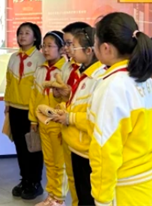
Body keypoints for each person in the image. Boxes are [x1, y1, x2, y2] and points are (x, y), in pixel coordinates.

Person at [89, 12, 152, 206]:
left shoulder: (113, 87)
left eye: (95, 42)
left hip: (130, 190)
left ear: (106, 48)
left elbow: (105, 151)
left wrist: (102, 198)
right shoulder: (147, 80)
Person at [52, 26, 105, 206]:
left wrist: (69, 118)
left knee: (87, 195)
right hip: (76, 144)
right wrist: (63, 105)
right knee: (80, 191)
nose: (68, 49)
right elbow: (78, 104)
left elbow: (96, 117)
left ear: (89, 50)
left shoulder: (99, 77)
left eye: (71, 45)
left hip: (88, 148)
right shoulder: (82, 72)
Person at [4, 22, 46, 200]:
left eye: (27, 33)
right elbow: (9, 82)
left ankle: (35, 182)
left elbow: (40, 88)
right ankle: (25, 180)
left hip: (31, 111)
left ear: (35, 37)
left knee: (33, 148)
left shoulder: (40, 58)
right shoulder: (14, 57)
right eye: (20, 33)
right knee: (20, 147)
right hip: (15, 109)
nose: (22, 36)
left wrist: (36, 114)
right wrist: (7, 104)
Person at [30, 31, 69, 206]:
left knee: (60, 163)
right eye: (43, 46)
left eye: (50, 46)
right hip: (43, 123)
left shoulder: (65, 70)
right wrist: (33, 119)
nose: (45, 50)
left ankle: (59, 198)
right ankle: (51, 195)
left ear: (61, 49)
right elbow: (34, 97)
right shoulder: (40, 69)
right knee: (49, 161)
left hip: (58, 123)